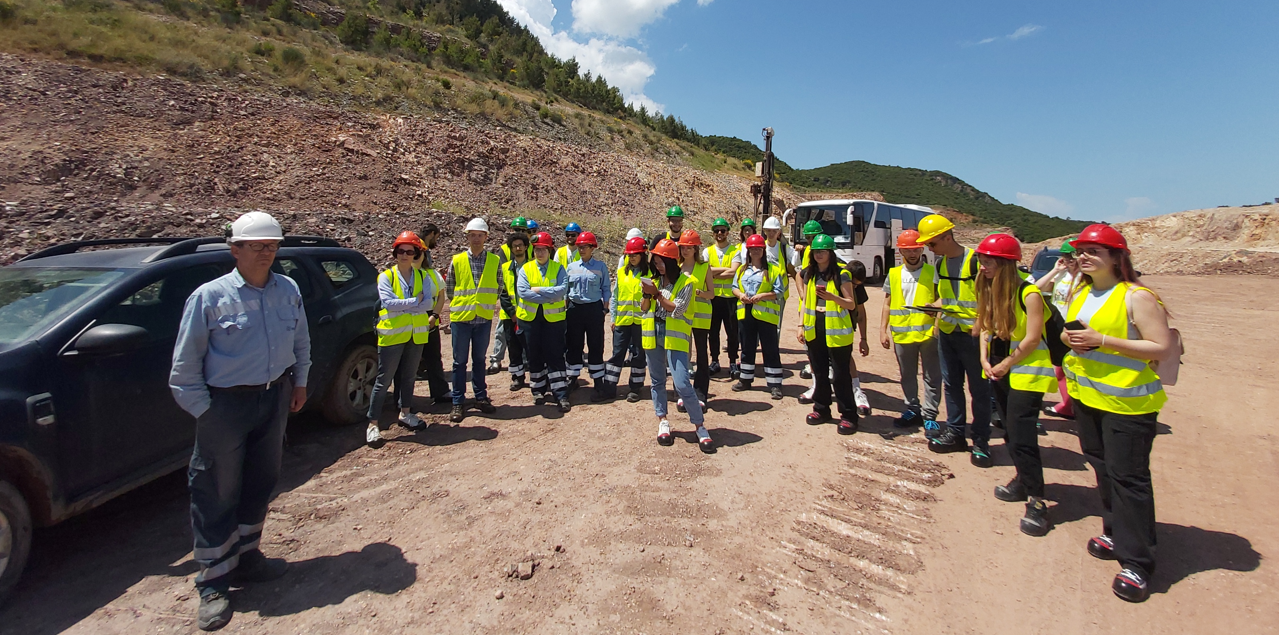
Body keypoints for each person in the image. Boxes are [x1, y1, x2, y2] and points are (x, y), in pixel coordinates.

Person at [169, 212, 309, 631]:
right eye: (258, 246)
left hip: (274, 396)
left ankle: (248, 557)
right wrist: (207, 412)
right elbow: (184, 367)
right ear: (235, 249)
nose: (267, 252)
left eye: (273, 246)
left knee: (260, 480)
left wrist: (299, 383)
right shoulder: (209, 298)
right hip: (225, 406)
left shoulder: (288, 289)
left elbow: (301, 339)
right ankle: (213, 583)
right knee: (215, 489)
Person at [1061, 224, 1174, 603]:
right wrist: (1070, 338)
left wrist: (1103, 340)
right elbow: (1072, 330)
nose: (1084, 256)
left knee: (1129, 478)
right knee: (1103, 469)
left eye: (1094, 250)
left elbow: (1160, 347)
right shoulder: (1083, 291)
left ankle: (1138, 562)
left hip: (1129, 404)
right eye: (1081, 251)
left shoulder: (1136, 296)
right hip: (1090, 399)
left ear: (1116, 257)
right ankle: (1114, 530)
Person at [974, 233, 1055, 537]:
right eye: (981, 259)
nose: (983, 265)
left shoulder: (1028, 292)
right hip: (998, 369)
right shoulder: (990, 288)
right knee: (1008, 430)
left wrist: (1007, 363)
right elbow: (985, 326)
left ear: (1007, 262)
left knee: (1022, 435)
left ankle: (1037, 499)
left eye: (989, 260)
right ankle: (1022, 480)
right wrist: (984, 358)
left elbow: (1033, 337)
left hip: (1026, 372)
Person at [917, 214, 994, 467]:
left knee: (979, 391)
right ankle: (956, 433)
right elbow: (945, 298)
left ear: (947, 237)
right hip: (949, 332)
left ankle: (981, 442)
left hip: (973, 335)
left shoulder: (975, 262)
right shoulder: (939, 265)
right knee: (951, 386)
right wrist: (933, 307)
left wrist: (980, 325)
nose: (929, 248)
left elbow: (989, 299)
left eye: (933, 243)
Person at [642, 238, 712, 452]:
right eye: (656, 261)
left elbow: (677, 309)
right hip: (653, 334)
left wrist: (657, 295)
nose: (658, 265)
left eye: (662, 261)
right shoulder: (653, 280)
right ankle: (662, 420)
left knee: (682, 383)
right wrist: (647, 295)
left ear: (673, 261)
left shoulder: (687, 282)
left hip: (676, 337)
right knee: (657, 381)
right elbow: (644, 308)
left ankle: (699, 426)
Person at [366, 232, 434, 447]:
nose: (405, 255)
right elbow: (388, 303)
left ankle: (406, 413)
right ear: (395, 253)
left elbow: (427, 304)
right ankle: (373, 424)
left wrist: (406, 304)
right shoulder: (387, 276)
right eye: (401, 251)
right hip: (393, 335)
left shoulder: (423, 276)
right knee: (383, 380)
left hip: (417, 334)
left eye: (410, 251)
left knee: (409, 377)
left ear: (416, 254)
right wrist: (415, 301)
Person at [881, 230, 943, 437]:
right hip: (902, 334)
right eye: (908, 249)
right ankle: (912, 409)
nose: (913, 253)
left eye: (916, 248)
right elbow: (888, 303)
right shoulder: (894, 274)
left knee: (931, 376)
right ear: (901, 251)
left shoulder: (932, 272)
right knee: (907, 375)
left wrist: (936, 323)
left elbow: (941, 299)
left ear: (922, 248)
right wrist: (883, 330)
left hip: (927, 335)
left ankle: (930, 415)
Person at [797, 234, 859, 434]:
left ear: (831, 253)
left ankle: (849, 415)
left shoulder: (843, 274)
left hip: (838, 332)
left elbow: (850, 303)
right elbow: (806, 301)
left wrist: (833, 297)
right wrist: (801, 326)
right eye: (815, 251)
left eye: (822, 251)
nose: (818, 255)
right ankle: (821, 409)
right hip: (815, 328)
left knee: (841, 375)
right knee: (820, 372)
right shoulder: (810, 274)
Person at [443, 217, 501, 423]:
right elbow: (450, 287)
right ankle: (458, 402)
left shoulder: (494, 261)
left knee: (479, 360)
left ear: (486, 237)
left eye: (480, 235)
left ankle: (480, 397)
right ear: (467, 236)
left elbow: (498, 286)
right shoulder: (457, 260)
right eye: (472, 235)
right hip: (461, 318)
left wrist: (484, 303)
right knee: (459, 362)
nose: (476, 239)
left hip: (483, 318)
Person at [517, 231, 572, 412]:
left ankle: (560, 393)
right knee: (534, 355)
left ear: (550, 250)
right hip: (531, 320)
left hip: (553, 321)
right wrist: (549, 295)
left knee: (555, 355)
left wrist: (538, 290)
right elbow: (523, 292)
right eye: (536, 250)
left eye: (543, 250)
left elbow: (562, 290)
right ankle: (538, 389)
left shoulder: (558, 268)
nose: (539, 253)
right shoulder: (525, 268)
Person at [731, 234, 784, 399]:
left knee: (770, 349)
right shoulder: (741, 270)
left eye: (758, 248)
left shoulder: (773, 270)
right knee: (747, 347)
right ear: (748, 251)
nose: (755, 251)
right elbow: (734, 287)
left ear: (763, 250)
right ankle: (745, 379)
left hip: (765, 316)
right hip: (746, 313)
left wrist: (762, 296)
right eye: (752, 248)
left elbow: (779, 292)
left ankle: (775, 384)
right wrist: (740, 295)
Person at [1036, 239, 1080, 419]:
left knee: (1075, 369)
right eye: (1065, 257)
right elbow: (1036, 288)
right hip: (1057, 325)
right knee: (1059, 368)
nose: (1068, 261)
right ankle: (1067, 405)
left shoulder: (1086, 278)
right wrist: (1055, 270)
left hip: (1077, 326)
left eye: (1071, 257)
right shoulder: (1061, 276)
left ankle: (1074, 405)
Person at [603, 236, 650, 402]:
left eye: (635, 254)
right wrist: (613, 317)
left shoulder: (650, 273)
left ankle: (635, 388)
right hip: (622, 322)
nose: (632, 257)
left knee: (638, 355)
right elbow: (615, 296)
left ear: (643, 255)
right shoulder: (622, 272)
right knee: (617, 355)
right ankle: (608, 388)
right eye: (630, 255)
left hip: (641, 322)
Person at [564, 232, 611, 399]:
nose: (581, 249)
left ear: (592, 248)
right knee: (574, 344)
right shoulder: (571, 267)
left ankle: (598, 381)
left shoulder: (600, 267)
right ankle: (573, 378)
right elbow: (566, 291)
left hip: (593, 309)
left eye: (585, 247)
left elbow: (606, 288)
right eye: (579, 247)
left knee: (595, 344)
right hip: (575, 309)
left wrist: (605, 308)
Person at [489, 217, 532, 375]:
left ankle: (526, 363)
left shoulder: (531, 247)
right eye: (517, 230)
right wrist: (511, 310)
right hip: (509, 310)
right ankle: (496, 360)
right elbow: (503, 281)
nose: (520, 233)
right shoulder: (505, 249)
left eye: (522, 230)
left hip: (527, 309)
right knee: (502, 333)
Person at [676, 230, 713, 412]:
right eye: (683, 247)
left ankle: (700, 394)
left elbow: (711, 294)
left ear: (696, 248)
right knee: (682, 355)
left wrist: (697, 293)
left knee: (701, 355)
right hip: (682, 318)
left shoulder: (704, 267)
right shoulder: (677, 266)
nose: (686, 251)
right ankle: (683, 393)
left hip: (701, 317)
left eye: (689, 247)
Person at [414, 223, 451, 405]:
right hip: (413, 317)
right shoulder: (420, 248)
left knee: (432, 354)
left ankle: (439, 391)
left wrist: (435, 315)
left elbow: (440, 296)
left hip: (430, 316)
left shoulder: (431, 273)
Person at [705, 217, 742, 378]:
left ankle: (733, 361)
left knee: (732, 331)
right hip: (713, 298)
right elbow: (706, 272)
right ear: (713, 233)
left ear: (728, 232)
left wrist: (714, 272)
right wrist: (723, 271)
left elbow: (733, 272)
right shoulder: (707, 251)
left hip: (730, 297)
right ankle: (715, 360)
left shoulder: (735, 251)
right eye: (717, 231)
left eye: (723, 230)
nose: (720, 233)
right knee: (712, 331)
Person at [497, 232, 531, 392]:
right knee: (514, 348)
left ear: (525, 247)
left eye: (520, 245)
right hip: (509, 316)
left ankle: (537, 377)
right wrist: (512, 312)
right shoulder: (504, 268)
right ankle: (517, 377)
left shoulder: (533, 267)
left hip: (529, 315)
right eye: (514, 246)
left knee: (532, 347)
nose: (518, 248)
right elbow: (502, 293)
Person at [762, 216, 796, 334]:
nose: (771, 234)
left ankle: (773, 349)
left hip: (779, 292)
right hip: (763, 290)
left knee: (776, 324)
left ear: (779, 232)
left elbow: (796, 261)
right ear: (764, 231)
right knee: (760, 320)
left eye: (774, 231)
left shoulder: (783, 248)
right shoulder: (760, 248)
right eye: (768, 231)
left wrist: (800, 251)